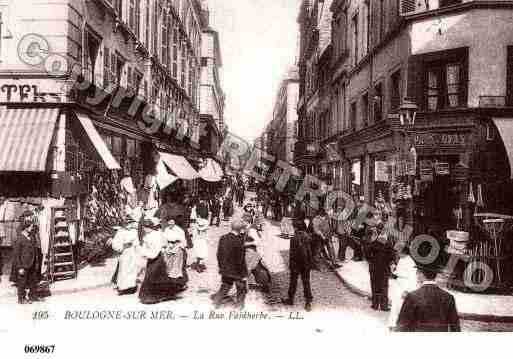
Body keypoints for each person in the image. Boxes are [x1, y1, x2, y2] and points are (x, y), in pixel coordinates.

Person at [138, 216, 188, 304]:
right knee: (152, 276)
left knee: (154, 276)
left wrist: (147, 254)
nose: (144, 229)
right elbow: (145, 247)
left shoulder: (156, 235)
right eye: (144, 228)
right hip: (151, 259)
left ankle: (154, 296)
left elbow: (156, 250)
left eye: (146, 227)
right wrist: (143, 252)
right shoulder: (148, 235)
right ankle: (150, 295)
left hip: (157, 259)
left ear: (151, 227)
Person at [396, 266, 461, 332]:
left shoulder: (412, 296)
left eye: (417, 273)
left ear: (421, 274)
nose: (416, 275)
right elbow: (455, 326)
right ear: (435, 275)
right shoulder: (448, 297)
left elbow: (402, 324)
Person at [212, 218, 248, 309]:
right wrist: (244, 274)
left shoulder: (223, 238)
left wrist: (221, 266)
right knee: (241, 288)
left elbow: (219, 254)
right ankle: (239, 307)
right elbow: (240, 259)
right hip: (236, 271)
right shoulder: (239, 241)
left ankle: (216, 303)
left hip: (225, 269)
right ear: (240, 229)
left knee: (225, 286)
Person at [365, 213, 396, 311]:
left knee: (374, 284)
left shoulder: (372, 240)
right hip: (384, 266)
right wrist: (392, 262)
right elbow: (391, 252)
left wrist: (370, 260)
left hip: (374, 266)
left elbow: (366, 252)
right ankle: (383, 306)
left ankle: (375, 304)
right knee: (384, 286)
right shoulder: (387, 240)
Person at [282, 219, 313, 311]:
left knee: (293, 282)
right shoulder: (308, 237)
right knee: (306, 282)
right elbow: (310, 252)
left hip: (296, 263)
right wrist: (310, 263)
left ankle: (290, 299)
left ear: (296, 228)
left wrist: (291, 264)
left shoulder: (294, 237)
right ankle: (308, 302)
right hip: (306, 263)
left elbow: (292, 252)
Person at [13, 211, 42, 304]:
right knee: (22, 282)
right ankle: (21, 299)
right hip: (24, 264)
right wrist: (20, 267)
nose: (32, 228)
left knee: (33, 281)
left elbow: (35, 250)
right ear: (25, 228)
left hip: (32, 263)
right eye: (31, 227)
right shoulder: (20, 239)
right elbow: (17, 255)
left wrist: (36, 262)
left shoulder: (32, 237)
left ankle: (33, 296)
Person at [110, 217, 140, 295]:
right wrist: (123, 245)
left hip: (132, 252)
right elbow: (115, 243)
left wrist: (138, 251)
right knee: (124, 269)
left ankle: (131, 287)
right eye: (127, 223)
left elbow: (137, 243)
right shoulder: (120, 232)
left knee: (132, 269)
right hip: (124, 252)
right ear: (124, 224)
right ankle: (123, 287)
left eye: (130, 223)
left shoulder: (134, 231)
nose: (129, 225)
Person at [243, 213, 271, 294]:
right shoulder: (247, 228)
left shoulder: (251, 230)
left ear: (246, 221)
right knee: (258, 269)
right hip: (250, 253)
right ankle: (265, 286)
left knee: (247, 271)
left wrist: (245, 244)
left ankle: (244, 289)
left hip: (250, 253)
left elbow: (257, 242)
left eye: (243, 220)